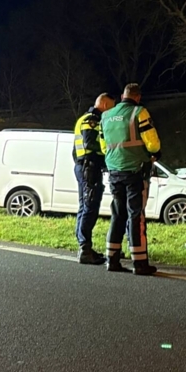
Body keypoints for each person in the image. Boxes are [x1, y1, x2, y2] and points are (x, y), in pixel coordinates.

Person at [101, 83, 161, 276]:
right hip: (135, 170)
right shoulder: (139, 112)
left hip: (114, 171)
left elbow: (104, 146)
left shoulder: (106, 115)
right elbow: (152, 141)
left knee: (118, 213)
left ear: (122, 96)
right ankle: (140, 263)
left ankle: (112, 259)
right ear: (138, 97)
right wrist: (155, 154)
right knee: (136, 215)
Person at [73, 93, 115, 265]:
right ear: (104, 104)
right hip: (88, 167)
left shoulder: (89, 119)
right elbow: (91, 145)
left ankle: (85, 247)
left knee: (86, 206)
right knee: (89, 207)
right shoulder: (91, 120)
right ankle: (85, 248)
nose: (113, 110)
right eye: (112, 106)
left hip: (87, 167)